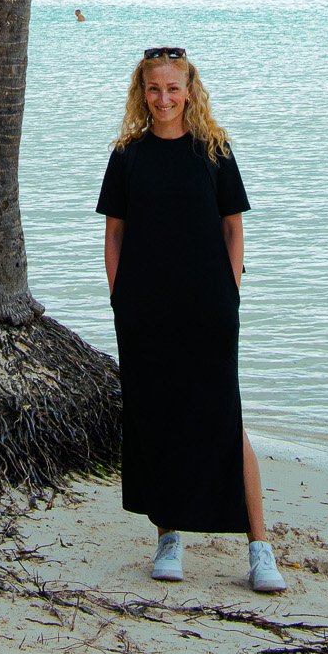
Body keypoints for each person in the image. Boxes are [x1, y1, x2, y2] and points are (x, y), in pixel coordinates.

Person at [96, 45, 288, 594]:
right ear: (142, 92)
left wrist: (229, 293)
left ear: (189, 90)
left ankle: (259, 548)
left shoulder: (215, 151)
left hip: (208, 306)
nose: (163, 99)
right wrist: (120, 297)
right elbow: (114, 234)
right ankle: (169, 537)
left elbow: (233, 228)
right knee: (158, 416)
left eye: (172, 89)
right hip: (143, 309)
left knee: (224, 416)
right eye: (153, 89)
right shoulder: (127, 155)